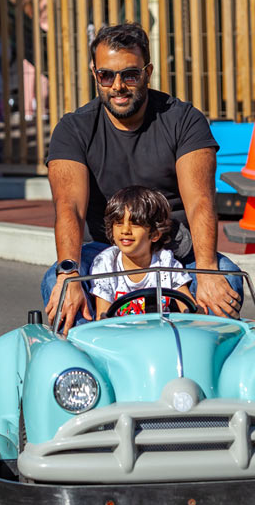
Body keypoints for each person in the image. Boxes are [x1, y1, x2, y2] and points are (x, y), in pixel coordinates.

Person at [41, 21, 242, 334]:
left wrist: (207, 271)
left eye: (130, 74)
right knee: (59, 285)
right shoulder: (73, 129)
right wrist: (68, 273)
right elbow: (70, 208)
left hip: (173, 248)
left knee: (227, 277)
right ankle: (88, 373)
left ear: (148, 72)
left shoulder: (183, 120)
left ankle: (194, 366)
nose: (118, 85)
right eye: (106, 75)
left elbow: (200, 201)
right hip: (106, 253)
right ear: (95, 74)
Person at [90, 185, 195, 318]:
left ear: (155, 234)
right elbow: (102, 317)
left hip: (160, 334)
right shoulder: (106, 263)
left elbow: (189, 309)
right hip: (118, 335)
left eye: (135, 224)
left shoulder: (165, 262)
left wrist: (195, 317)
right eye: (119, 223)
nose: (125, 230)